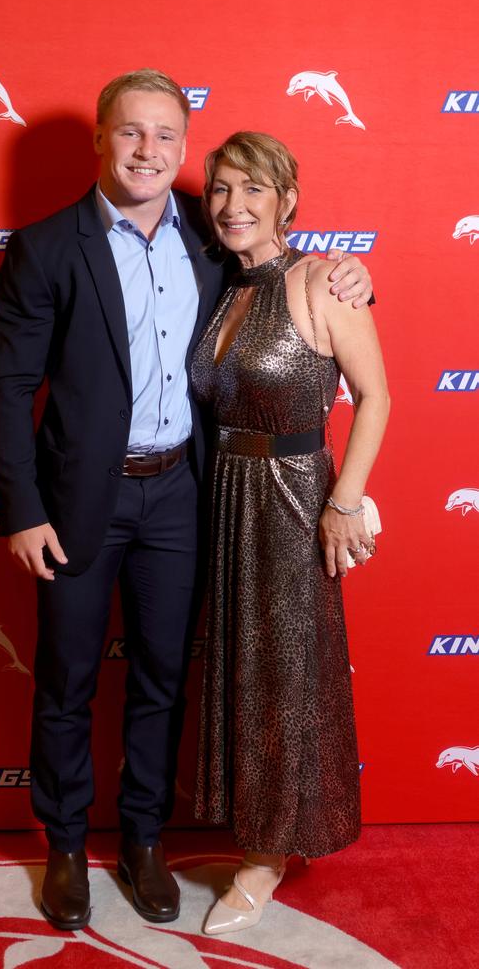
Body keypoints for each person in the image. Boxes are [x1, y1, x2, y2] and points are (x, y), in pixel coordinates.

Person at [0, 71, 374, 932]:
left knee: (164, 679)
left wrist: (351, 268)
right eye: (131, 133)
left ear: (182, 150)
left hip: (185, 501)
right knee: (66, 681)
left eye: (164, 136)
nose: (147, 151)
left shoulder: (210, 239)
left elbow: (285, 262)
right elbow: (7, 390)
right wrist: (19, 507)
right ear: (100, 139)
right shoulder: (47, 247)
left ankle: (146, 842)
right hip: (76, 506)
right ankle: (63, 846)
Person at [191, 130, 390, 935]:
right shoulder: (224, 288)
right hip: (226, 498)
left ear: (287, 200)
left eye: (252, 190)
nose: (233, 207)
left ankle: (267, 857)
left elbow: (375, 397)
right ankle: (253, 830)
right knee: (243, 672)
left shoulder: (321, 280)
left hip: (293, 499)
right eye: (219, 191)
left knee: (286, 682)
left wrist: (344, 503)